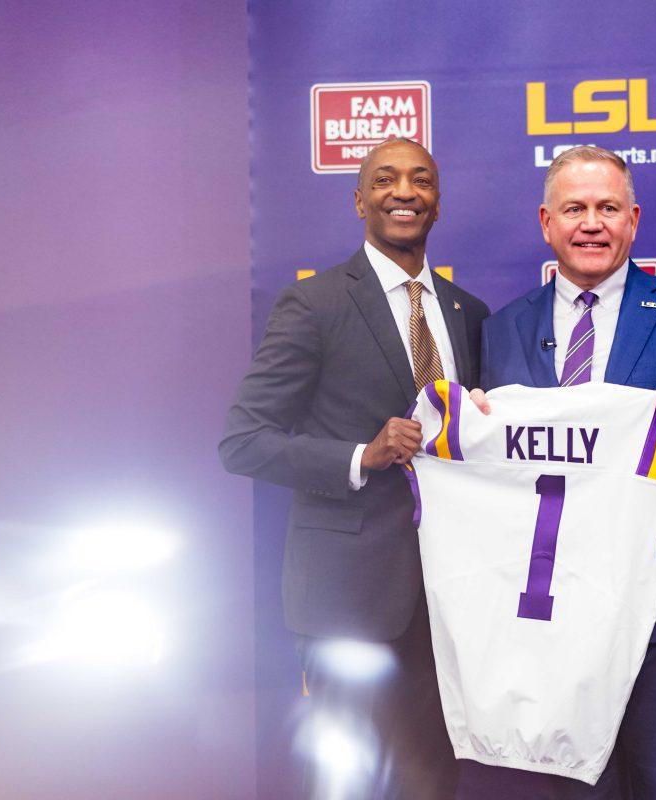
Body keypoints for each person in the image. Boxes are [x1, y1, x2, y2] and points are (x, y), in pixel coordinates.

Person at [220, 137, 489, 800]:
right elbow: (243, 441)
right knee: (346, 780)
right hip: (346, 600)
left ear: (437, 200)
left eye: (420, 180)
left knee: (431, 778)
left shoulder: (468, 314)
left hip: (448, 601)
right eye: (386, 179)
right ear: (359, 199)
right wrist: (358, 456)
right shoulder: (315, 305)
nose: (404, 192)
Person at [464, 145, 656, 799]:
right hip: (549, 613)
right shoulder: (502, 330)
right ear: (546, 222)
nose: (592, 223)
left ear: (633, 219)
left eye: (608, 208)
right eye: (575, 209)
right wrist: (469, 434)